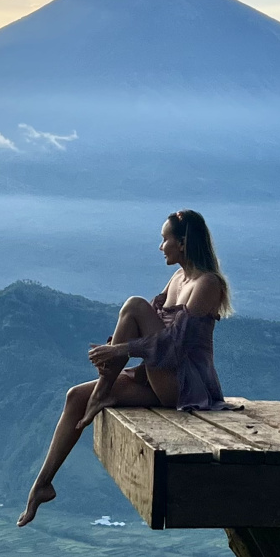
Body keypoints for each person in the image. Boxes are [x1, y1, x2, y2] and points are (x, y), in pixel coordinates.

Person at [17, 209, 232, 526]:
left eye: (165, 239)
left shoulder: (207, 284)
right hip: (156, 375)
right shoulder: (177, 278)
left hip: (184, 384)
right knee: (74, 397)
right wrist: (116, 348)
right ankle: (42, 486)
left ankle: (102, 393)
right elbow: (147, 330)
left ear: (183, 243)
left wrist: (119, 350)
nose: (161, 247)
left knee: (134, 304)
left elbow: (174, 346)